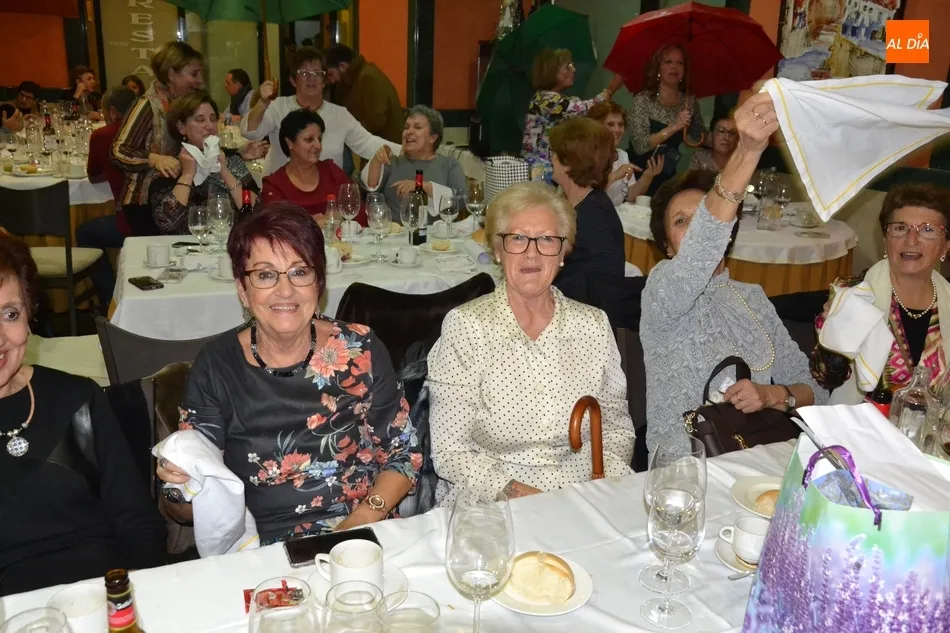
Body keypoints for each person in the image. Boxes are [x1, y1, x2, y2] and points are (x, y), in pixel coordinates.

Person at [156, 203, 420, 542]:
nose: (285, 290)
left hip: (361, 527)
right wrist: (178, 487)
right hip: (263, 544)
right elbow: (186, 507)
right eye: (265, 275)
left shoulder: (360, 349)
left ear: (319, 283)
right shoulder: (217, 365)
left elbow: (403, 453)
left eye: (299, 271)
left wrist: (363, 519)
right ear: (242, 290)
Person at [639, 94, 827, 455]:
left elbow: (815, 390)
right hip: (686, 469)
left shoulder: (752, 297)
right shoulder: (661, 289)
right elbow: (700, 249)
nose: (695, 229)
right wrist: (748, 151)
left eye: (702, 218)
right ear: (667, 246)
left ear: (728, 231)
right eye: (681, 222)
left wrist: (772, 395)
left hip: (759, 461)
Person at [427, 182, 635, 506]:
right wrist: (524, 496)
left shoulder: (592, 326)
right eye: (518, 238)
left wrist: (600, 486)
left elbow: (616, 429)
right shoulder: (467, 328)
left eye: (547, 239)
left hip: (579, 495)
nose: (532, 253)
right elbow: (450, 453)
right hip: (493, 499)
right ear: (498, 250)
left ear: (564, 252)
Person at [0, 230, 166, 595]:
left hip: (107, 596)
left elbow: (139, 525)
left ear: (29, 316)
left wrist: (125, 604)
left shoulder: (77, 398)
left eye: (9, 314)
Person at [811, 184, 950, 404]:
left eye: (927, 230)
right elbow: (824, 380)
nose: (911, 240)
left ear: (946, 246)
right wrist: (835, 343)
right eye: (900, 228)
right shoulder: (854, 294)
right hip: (860, 421)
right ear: (885, 239)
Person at [241, 48, 400, 176]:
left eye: (318, 74)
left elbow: (367, 143)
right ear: (293, 81)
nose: (312, 79)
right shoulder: (278, 107)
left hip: (327, 196)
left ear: (325, 82)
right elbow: (250, 132)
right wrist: (262, 103)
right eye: (304, 73)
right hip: (283, 195)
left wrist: (406, 150)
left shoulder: (339, 115)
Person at [150, 92, 264, 235]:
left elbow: (256, 212)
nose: (210, 126)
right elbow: (166, 223)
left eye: (213, 119)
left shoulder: (231, 160)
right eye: (200, 120)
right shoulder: (170, 165)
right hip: (184, 247)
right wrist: (187, 175)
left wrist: (225, 172)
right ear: (181, 127)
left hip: (228, 244)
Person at [112, 41, 205, 214]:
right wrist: (154, 159)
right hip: (144, 203)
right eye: (194, 74)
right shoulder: (147, 105)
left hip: (174, 194)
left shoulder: (181, 103)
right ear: (172, 75)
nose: (201, 81)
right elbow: (118, 151)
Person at [547, 117, 625, 302]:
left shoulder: (593, 216)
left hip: (579, 312)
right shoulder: (580, 202)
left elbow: (602, 285)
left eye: (553, 153)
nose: (551, 158)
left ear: (567, 164)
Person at [76, 86, 139, 309]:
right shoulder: (149, 129)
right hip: (159, 216)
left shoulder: (103, 135)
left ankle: (108, 299)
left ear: (112, 112)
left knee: (85, 233)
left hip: (131, 220)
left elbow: (94, 178)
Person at [522, 48, 624, 184]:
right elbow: (583, 109)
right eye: (568, 66)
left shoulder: (552, 99)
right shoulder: (546, 99)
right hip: (540, 172)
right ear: (552, 71)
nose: (574, 70)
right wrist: (611, 88)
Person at [362, 105, 466, 223]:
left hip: (438, 233)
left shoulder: (449, 164)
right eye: (406, 127)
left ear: (433, 137)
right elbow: (370, 194)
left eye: (417, 127)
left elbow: (462, 200)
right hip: (396, 233)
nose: (409, 132)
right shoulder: (391, 162)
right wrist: (376, 160)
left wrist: (424, 187)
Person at [628, 44, 707, 196]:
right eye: (668, 62)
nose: (674, 67)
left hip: (667, 177)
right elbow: (640, 145)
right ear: (658, 68)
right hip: (638, 175)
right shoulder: (643, 100)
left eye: (680, 63)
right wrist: (675, 127)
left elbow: (699, 137)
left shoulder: (689, 102)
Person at [261, 109, 357, 222]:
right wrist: (312, 223)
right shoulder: (275, 186)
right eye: (309, 139)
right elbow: (276, 228)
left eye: (319, 139)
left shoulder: (332, 171)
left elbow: (358, 213)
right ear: (290, 143)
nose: (318, 146)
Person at [587, 101, 664, 206]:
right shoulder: (586, 155)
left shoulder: (622, 155)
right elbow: (586, 197)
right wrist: (614, 176)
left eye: (620, 125)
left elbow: (630, 195)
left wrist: (648, 175)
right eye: (610, 124)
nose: (617, 130)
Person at [325, 44, 404, 143]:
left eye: (331, 74)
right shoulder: (357, 77)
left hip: (385, 145)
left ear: (342, 66)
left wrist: (347, 133)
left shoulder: (367, 78)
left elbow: (376, 121)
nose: (331, 81)